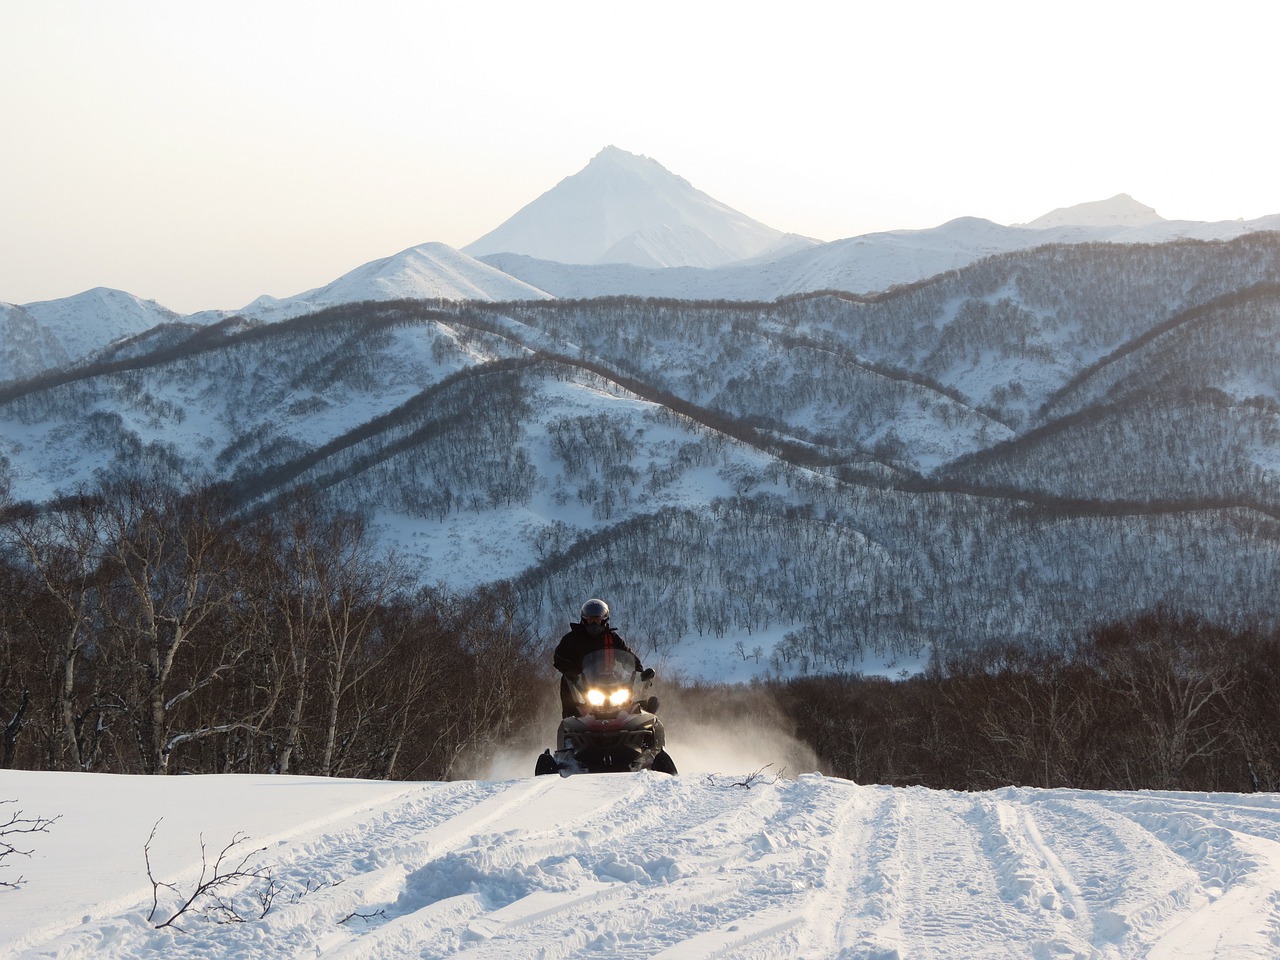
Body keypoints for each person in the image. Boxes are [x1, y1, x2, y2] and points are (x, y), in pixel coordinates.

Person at [553, 598, 652, 718]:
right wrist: (572, 673)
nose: (594, 624)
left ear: (604, 620)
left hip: (610, 680)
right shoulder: (572, 638)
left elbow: (628, 656)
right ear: (584, 619)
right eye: (591, 620)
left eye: (597, 620)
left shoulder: (612, 638)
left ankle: (640, 720)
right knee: (565, 681)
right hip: (582, 684)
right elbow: (559, 657)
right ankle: (570, 720)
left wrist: (641, 674)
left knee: (632, 701)